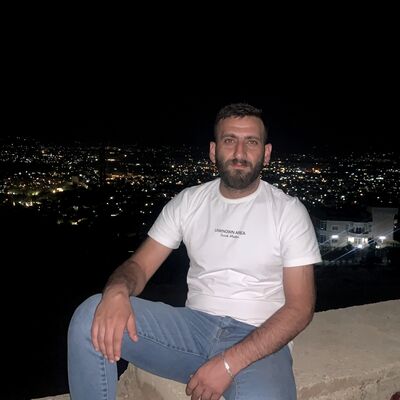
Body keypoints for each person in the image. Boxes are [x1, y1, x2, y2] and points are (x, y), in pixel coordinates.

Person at [68, 103, 322, 400]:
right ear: (214, 151)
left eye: (251, 142)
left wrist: (228, 363)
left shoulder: (288, 212)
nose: (240, 152)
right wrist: (117, 290)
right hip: (193, 331)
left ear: (266, 153)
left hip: (259, 338)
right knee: (90, 317)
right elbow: (139, 266)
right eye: (230, 140)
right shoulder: (190, 202)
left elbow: (300, 308)